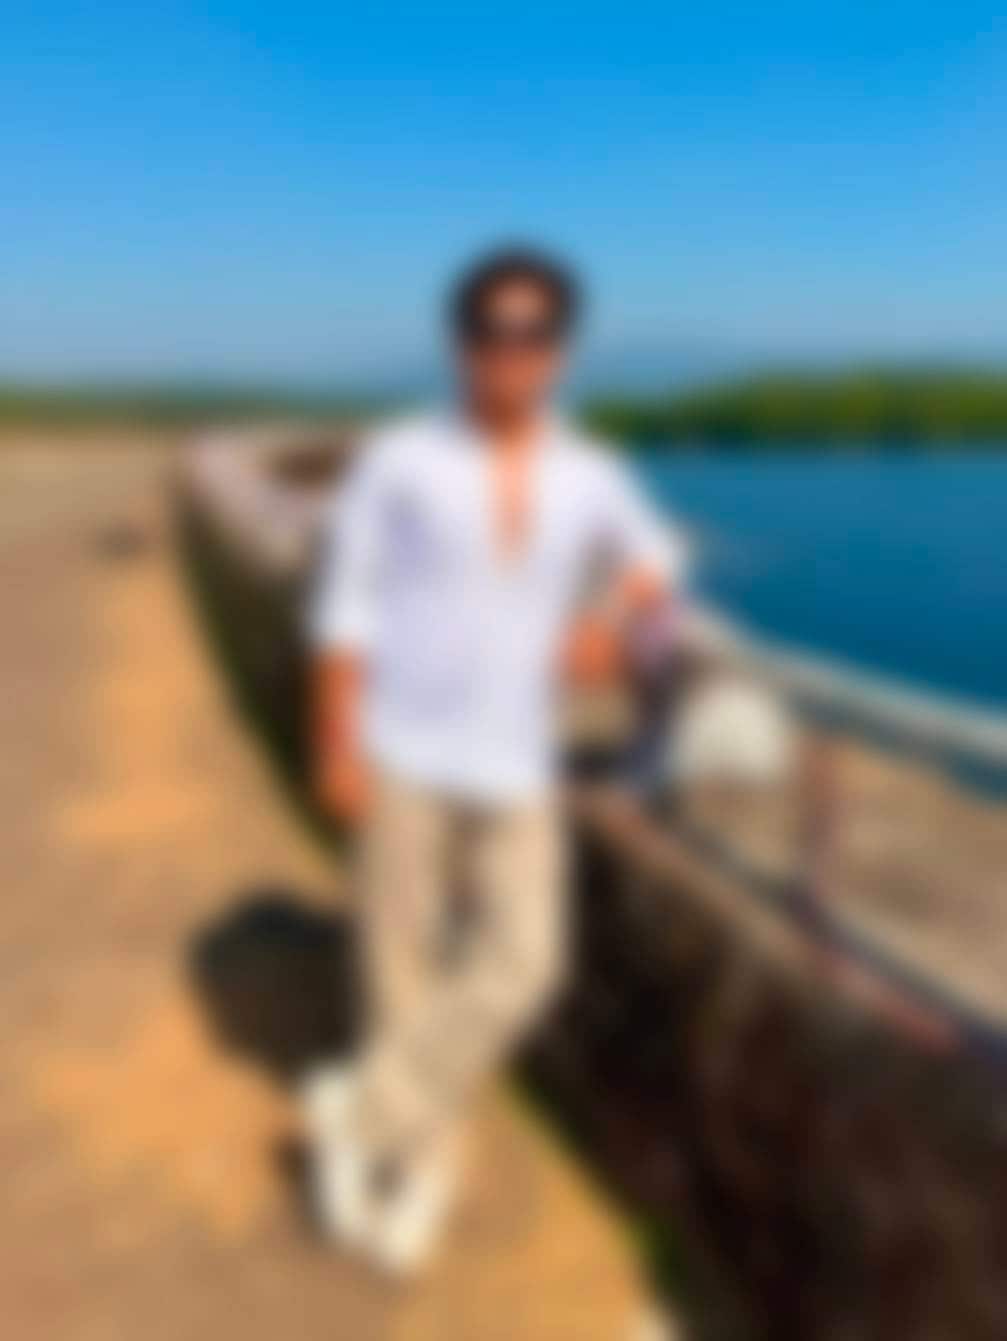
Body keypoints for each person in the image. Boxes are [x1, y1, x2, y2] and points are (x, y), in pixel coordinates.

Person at [302, 246, 683, 1274]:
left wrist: (614, 617)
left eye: (532, 333)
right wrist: (333, 743)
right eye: (490, 332)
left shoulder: (590, 472)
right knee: (398, 971)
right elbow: (345, 607)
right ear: (458, 343)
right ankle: (421, 1169)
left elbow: (658, 558)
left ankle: (354, 1114)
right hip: (401, 749)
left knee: (527, 961)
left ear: (560, 350)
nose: (510, 352)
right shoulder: (399, 458)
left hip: (516, 759)